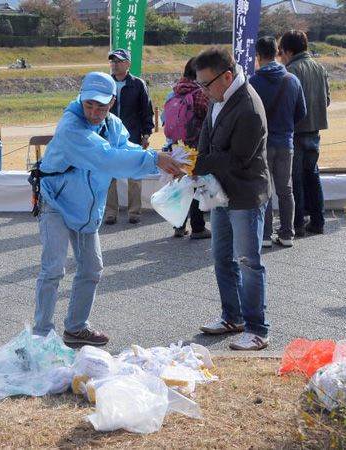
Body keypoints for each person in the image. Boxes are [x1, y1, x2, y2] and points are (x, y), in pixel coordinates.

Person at [32, 72, 184, 346]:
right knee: (53, 269)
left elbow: (124, 148)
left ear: (112, 102)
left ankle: (76, 328)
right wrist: (154, 160)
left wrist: (160, 159)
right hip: (55, 200)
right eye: (89, 104)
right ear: (81, 97)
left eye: (101, 107)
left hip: (87, 205)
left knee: (92, 268)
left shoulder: (112, 124)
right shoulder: (71, 127)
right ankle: (41, 335)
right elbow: (105, 158)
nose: (93, 112)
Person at [193, 47, 271, 351]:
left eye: (206, 84)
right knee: (221, 258)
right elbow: (206, 135)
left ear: (227, 76)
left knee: (249, 262)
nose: (203, 91)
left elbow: (238, 158)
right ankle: (233, 316)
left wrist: (197, 164)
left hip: (245, 194)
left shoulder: (249, 106)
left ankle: (257, 329)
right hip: (221, 193)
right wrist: (194, 159)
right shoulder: (219, 97)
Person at [250, 36, 307, 248]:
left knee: (263, 190)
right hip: (285, 142)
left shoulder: (253, 82)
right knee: (286, 189)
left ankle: (264, 236)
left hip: (262, 144)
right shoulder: (292, 80)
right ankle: (287, 234)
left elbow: (249, 115)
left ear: (258, 55)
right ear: (277, 52)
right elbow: (302, 112)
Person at [279, 30, 330, 236]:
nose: (281, 56)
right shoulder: (320, 67)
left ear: (289, 51)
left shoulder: (291, 71)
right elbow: (327, 100)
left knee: (296, 177)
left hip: (297, 131)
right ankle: (318, 221)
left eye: (281, 51)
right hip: (315, 130)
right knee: (313, 174)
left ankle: (297, 223)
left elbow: (287, 105)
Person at [162, 57, 211, 239]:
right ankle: (198, 227)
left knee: (180, 185)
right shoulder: (199, 93)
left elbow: (165, 121)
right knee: (195, 185)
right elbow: (210, 118)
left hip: (176, 146)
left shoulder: (174, 91)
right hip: (196, 145)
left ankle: (178, 225)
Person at [104, 49, 155, 225]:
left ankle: (134, 212)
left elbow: (146, 111)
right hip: (108, 136)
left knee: (134, 175)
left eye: (118, 61)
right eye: (112, 61)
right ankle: (111, 212)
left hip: (132, 135)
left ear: (127, 64)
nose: (114, 64)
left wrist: (147, 133)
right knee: (109, 176)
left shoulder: (138, 84)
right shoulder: (106, 83)